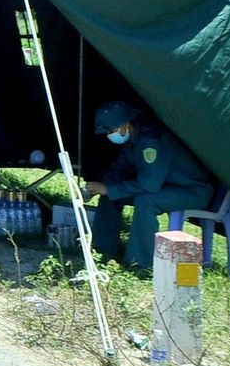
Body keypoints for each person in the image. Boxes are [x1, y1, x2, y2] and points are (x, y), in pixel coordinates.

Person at [85, 100, 214, 271]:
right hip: (165, 187)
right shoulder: (132, 140)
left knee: (146, 201)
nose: (109, 135)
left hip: (193, 190)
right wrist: (101, 187)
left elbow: (149, 184)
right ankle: (103, 251)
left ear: (124, 125)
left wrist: (110, 188)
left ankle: (140, 264)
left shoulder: (151, 140)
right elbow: (120, 170)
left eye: (110, 130)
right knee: (111, 195)